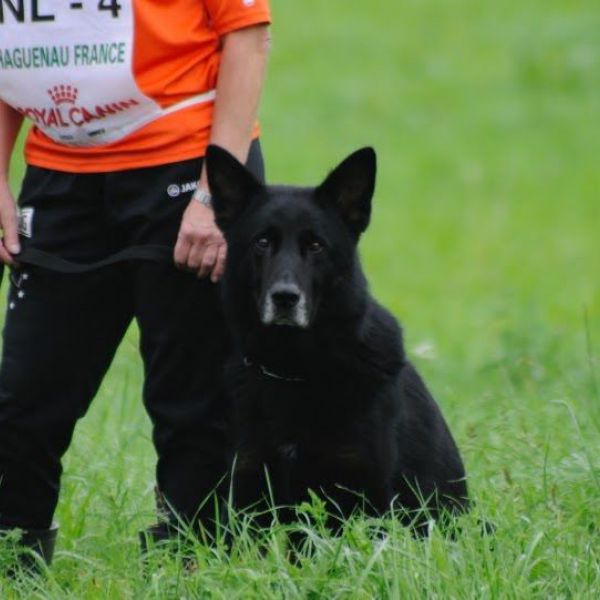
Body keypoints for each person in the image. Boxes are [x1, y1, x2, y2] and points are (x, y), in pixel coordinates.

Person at [0, 0, 271, 566]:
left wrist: (215, 191)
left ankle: (191, 563)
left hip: (183, 165)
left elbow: (247, 35)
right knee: (24, 393)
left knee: (192, 399)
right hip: (60, 172)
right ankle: (13, 556)